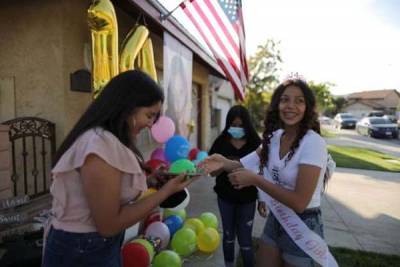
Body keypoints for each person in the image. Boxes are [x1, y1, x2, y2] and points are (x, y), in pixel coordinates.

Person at [42, 70, 198, 267]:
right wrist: (167, 190)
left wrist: (151, 181)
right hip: (82, 251)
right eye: (149, 115)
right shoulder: (99, 144)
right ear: (127, 107)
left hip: (92, 247)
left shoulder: (109, 141)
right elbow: (108, 225)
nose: (150, 124)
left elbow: (111, 191)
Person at [201, 78, 329, 267]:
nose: (290, 106)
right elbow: (245, 164)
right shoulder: (274, 138)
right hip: (276, 219)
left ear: (308, 107)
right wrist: (222, 161)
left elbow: (299, 202)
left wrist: (255, 180)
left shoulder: (313, 142)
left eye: (299, 101)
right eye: (285, 100)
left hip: (303, 224)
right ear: (277, 104)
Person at [208, 105, 261, 267]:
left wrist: (263, 200)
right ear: (228, 124)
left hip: (248, 199)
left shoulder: (255, 144)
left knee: (245, 241)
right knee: (228, 236)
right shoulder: (221, 142)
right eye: (233, 125)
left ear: (247, 125)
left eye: (240, 125)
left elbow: (262, 172)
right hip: (226, 198)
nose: (237, 128)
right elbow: (211, 173)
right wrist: (221, 166)